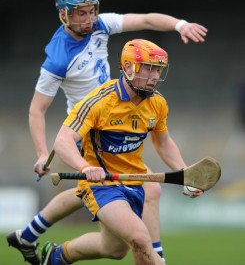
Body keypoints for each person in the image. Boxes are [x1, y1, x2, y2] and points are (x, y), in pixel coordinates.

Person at [6, 0, 207, 265]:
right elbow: (36, 111)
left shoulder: (101, 25)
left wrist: (180, 25)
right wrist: (42, 152)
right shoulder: (58, 59)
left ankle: (31, 238)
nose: (88, 19)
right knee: (140, 192)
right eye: (81, 14)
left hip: (120, 110)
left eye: (92, 11)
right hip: (87, 130)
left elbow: (147, 19)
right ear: (64, 14)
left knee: (112, 244)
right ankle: (156, 256)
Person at [40, 39, 204, 265]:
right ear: (128, 68)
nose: (155, 76)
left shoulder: (157, 103)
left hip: (134, 184)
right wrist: (85, 167)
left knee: (113, 249)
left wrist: (184, 171)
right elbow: (63, 140)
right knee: (139, 238)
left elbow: (163, 143)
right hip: (101, 185)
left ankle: (58, 256)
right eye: (148, 68)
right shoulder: (100, 102)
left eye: (158, 70)